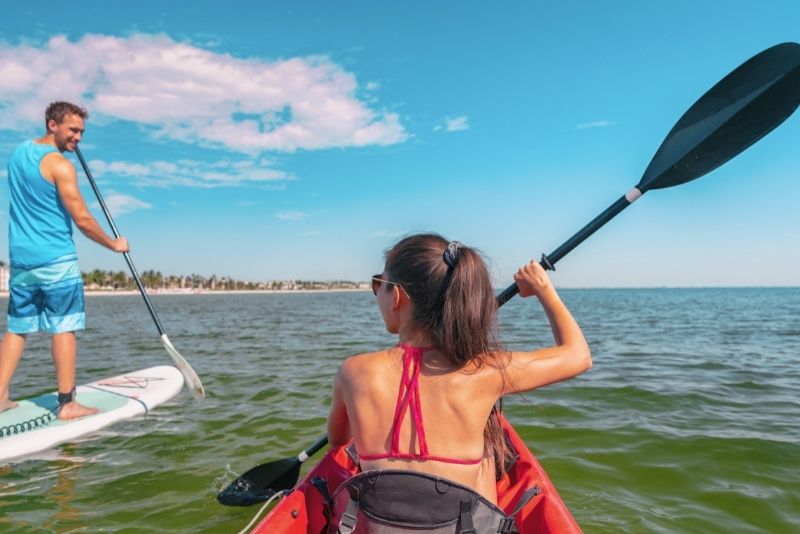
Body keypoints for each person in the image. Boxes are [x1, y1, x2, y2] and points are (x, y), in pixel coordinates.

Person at [326, 233, 591, 531]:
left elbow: (338, 440)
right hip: (460, 524)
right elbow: (579, 356)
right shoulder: (486, 371)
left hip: (379, 524)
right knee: (489, 448)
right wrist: (544, 289)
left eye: (379, 284)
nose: (378, 294)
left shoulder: (353, 371)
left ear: (397, 296)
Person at [0, 101, 129, 420]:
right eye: (73, 130)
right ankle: (67, 403)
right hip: (56, 259)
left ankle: (0, 396)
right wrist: (113, 244)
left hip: (21, 261)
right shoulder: (60, 165)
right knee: (64, 328)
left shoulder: (18, 154)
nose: (79, 138)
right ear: (52, 124)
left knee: (17, 329)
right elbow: (83, 219)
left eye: (82, 132)